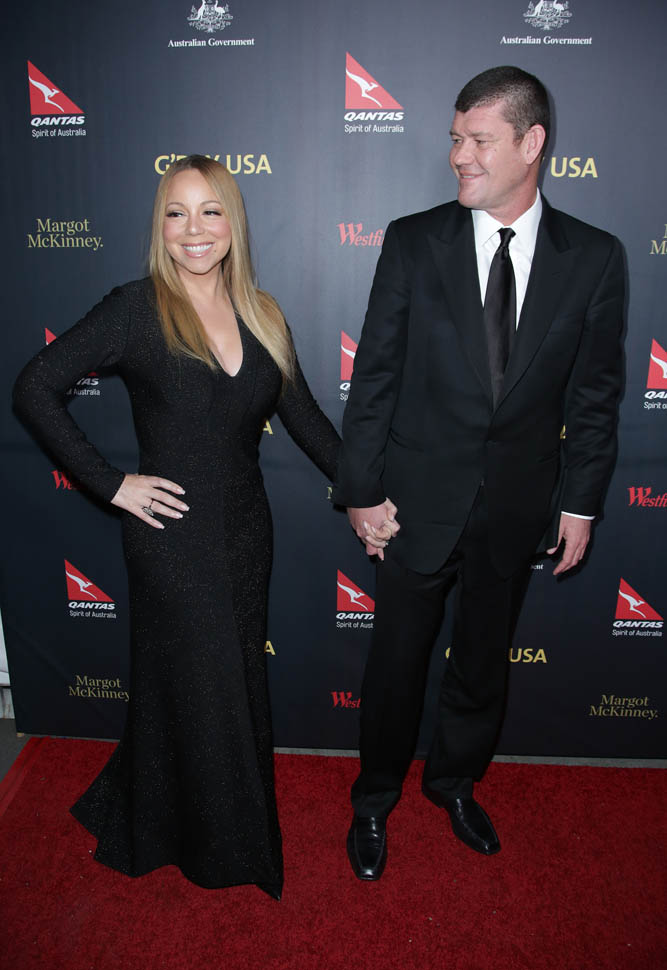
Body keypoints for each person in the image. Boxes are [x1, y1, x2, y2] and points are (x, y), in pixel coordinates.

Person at [13, 155, 343, 900]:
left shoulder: (263, 313)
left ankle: (164, 816)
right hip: (170, 538)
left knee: (223, 684)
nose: (194, 229)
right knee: (203, 686)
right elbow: (34, 387)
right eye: (176, 212)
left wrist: (369, 494)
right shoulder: (136, 308)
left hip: (246, 532)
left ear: (233, 223)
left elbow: (308, 422)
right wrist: (110, 485)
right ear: (160, 226)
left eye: (209, 210)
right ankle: (220, 849)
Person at [333, 67, 624, 880]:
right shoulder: (413, 240)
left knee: (482, 663)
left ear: (531, 144)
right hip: (411, 504)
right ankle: (372, 798)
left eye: (479, 140)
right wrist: (359, 491)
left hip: (516, 507)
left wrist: (580, 504)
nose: (458, 155)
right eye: (455, 137)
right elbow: (373, 379)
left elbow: (594, 398)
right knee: (395, 665)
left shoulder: (593, 258)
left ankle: (453, 783)